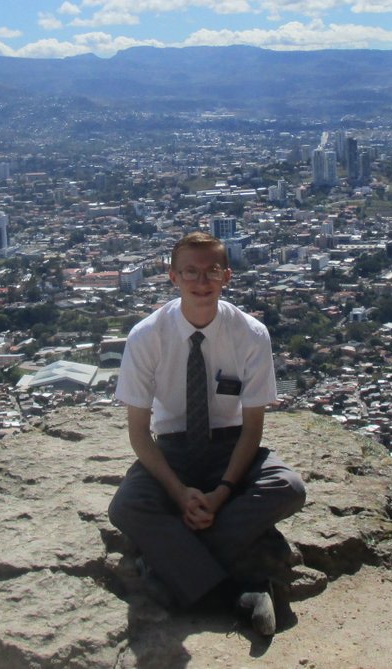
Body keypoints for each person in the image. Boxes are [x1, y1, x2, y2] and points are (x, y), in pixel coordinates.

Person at [108, 231, 306, 636]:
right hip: (173, 449)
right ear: (172, 278)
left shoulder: (249, 334)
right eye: (191, 272)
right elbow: (139, 433)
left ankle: (174, 571)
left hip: (231, 446)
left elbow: (252, 428)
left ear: (227, 276)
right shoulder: (147, 336)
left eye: (212, 271)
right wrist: (180, 493)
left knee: (288, 486)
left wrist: (222, 492)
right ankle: (242, 583)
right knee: (126, 507)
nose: (202, 282)